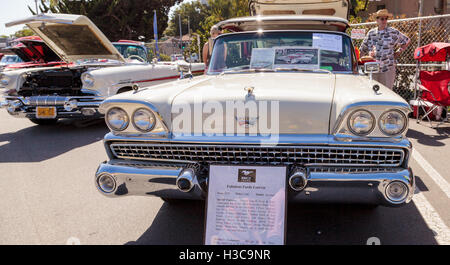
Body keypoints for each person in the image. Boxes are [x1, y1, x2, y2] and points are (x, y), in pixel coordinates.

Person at [360, 9, 411, 90]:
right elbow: (363, 49)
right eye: (382, 19)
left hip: (387, 69)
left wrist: (398, 52)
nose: (384, 21)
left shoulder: (393, 32)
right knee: (372, 92)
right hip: (373, 69)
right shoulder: (371, 33)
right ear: (377, 20)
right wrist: (357, 64)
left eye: (386, 18)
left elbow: (407, 41)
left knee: (387, 93)